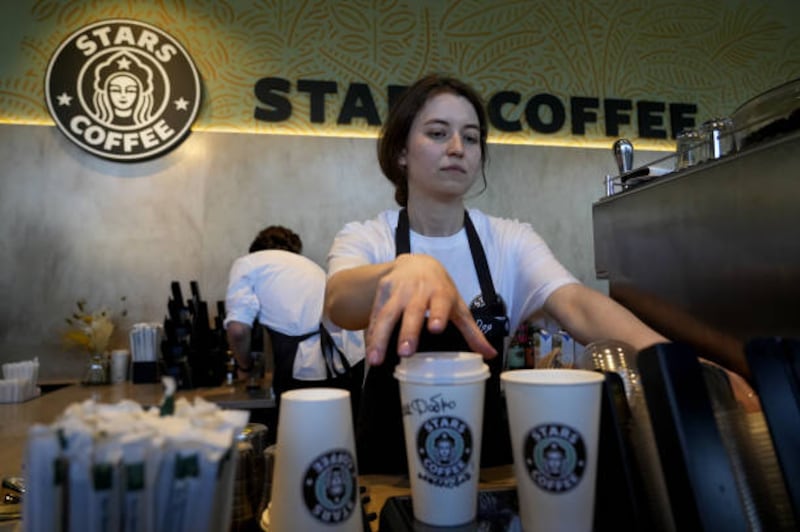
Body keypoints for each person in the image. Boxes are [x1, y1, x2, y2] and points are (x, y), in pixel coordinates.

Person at [323, 73, 672, 474]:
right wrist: (406, 268)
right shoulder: (368, 237)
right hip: (385, 473)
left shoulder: (509, 240)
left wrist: (681, 364)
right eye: (438, 133)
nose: (457, 148)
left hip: (484, 473)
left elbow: (578, 305)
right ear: (401, 152)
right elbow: (339, 302)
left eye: (471, 138)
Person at [224, 225, 365, 414]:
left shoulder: (248, 263)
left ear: (255, 250)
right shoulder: (308, 265)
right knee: (341, 436)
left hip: (308, 369)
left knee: (298, 439)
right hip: (352, 360)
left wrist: (245, 367)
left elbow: (238, 330)